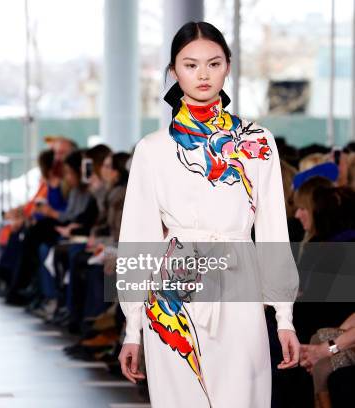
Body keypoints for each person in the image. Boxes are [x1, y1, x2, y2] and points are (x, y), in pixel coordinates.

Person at [117, 21, 300, 407]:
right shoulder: (152, 149)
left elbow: (272, 231)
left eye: (213, 63)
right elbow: (139, 236)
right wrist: (132, 328)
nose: (202, 74)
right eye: (190, 64)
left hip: (240, 286)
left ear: (228, 67)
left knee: (242, 397)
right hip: (172, 296)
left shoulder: (257, 142)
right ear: (173, 71)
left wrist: (284, 316)